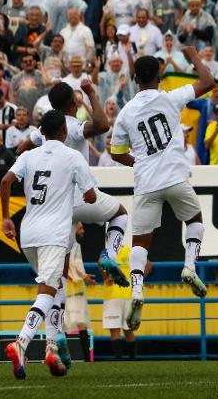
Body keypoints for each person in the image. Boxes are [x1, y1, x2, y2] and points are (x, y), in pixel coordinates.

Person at [110, 47, 215, 331]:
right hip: (175, 178)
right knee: (194, 221)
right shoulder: (171, 98)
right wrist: (193, 56)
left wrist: (139, 162)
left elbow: (116, 152)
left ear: (134, 79)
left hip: (146, 182)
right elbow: (209, 82)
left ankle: (137, 290)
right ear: (160, 76)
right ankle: (190, 267)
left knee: (141, 241)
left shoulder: (125, 113)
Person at [1, 110, 96, 379]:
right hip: (54, 234)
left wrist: (7, 217)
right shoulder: (72, 156)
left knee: (57, 286)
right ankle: (21, 343)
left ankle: (52, 349)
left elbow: (6, 180)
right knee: (47, 291)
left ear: (41, 132)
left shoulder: (29, 155)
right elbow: (89, 196)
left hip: (28, 233)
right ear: (64, 132)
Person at [21, 80, 130, 288]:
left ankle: (55, 320)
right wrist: (91, 92)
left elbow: (21, 148)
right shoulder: (72, 127)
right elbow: (103, 125)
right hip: (82, 198)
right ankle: (109, 254)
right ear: (74, 101)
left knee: (60, 274)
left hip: (57, 205)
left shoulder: (45, 130)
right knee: (120, 214)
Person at [64, 222, 95, 363]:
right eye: (80, 228)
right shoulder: (75, 245)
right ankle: (87, 360)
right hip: (75, 290)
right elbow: (75, 265)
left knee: (62, 326)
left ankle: (61, 359)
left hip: (64, 290)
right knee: (81, 325)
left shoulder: (62, 244)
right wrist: (85, 277)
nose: (83, 231)